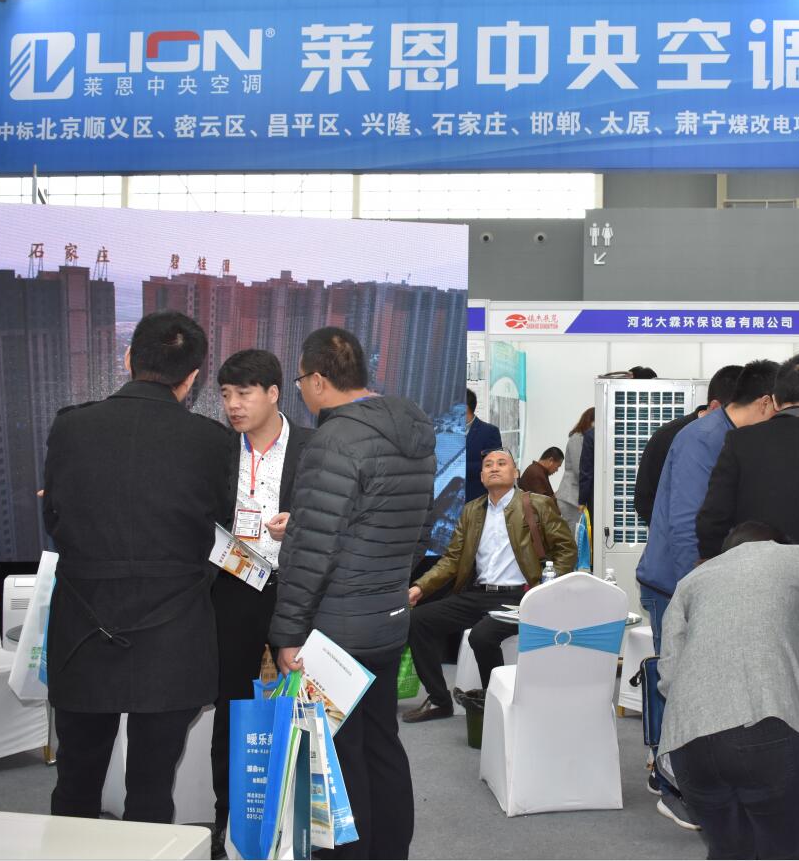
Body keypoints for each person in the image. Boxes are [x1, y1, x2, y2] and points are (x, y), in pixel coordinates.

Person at [42, 311, 235, 824]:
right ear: (192, 377)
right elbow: (221, 530)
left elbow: (53, 520)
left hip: (83, 631)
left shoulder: (70, 427)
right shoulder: (213, 441)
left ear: (128, 358)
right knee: (152, 788)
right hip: (173, 635)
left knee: (75, 783)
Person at [271, 327, 435, 860]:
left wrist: (287, 634)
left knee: (338, 755)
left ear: (319, 379)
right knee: (382, 743)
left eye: (301, 380)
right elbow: (413, 528)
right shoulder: (414, 430)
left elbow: (311, 552)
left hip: (337, 628)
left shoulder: (334, 439)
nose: (301, 391)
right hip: (386, 617)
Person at [695, 353, 799, 800]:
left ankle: (762, 783)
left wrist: (721, 570)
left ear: (776, 398)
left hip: (754, 604)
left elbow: (711, 521)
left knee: (756, 698)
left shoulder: (742, 443)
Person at [636, 359, 779, 828]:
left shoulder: (730, 437)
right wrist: (698, 596)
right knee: (678, 685)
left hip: (700, 583)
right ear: (766, 402)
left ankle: (683, 775)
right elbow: (686, 527)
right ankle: (673, 785)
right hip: (676, 585)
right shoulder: (702, 439)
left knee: (695, 687)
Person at [659, 521, 799, 859]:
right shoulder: (796, 558)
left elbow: (668, 674)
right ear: (778, 543)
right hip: (766, 726)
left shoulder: (692, 580)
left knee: (727, 851)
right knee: (780, 851)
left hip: (688, 739)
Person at [208, 349, 314, 858]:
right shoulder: (217, 449)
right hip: (234, 586)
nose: (233, 404)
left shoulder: (313, 447)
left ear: (274, 393)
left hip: (296, 586)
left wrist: (302, 524)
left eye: (244, 393)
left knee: (306, 700)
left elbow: (341, 512)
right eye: (226, 394)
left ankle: (306, 819)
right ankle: (227, 820)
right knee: (231, 704)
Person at [402, 449, 577, 722]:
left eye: (501, 463)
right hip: (477, 593)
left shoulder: (538, 504)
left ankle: (494, 706)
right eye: (488, 465)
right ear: (482, 476)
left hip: (521, 596)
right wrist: (420, 588)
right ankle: (439, 700)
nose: (494, 468)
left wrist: (546, 591)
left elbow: (567, 549)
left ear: (515, 473)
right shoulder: (471, 510)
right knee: (418, 620)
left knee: (481, 636)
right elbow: (452, 560)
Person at [634, 365, 743, 526]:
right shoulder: (668, 436)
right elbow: (644, 500)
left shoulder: (743, 439)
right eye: (738, 413)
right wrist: (673, 531)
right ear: (715, 407)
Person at [556, 407, 594, 532]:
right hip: (571, 498)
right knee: (576, 537)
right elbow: (580, 469)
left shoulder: (583, 438)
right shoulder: (578, 438)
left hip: (575, 497)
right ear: (590, 421)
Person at [465, 388, 502, 504]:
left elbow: (493, 465)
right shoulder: (445, 429)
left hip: (476, 498)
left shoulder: (489, 432)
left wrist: (460, 468)